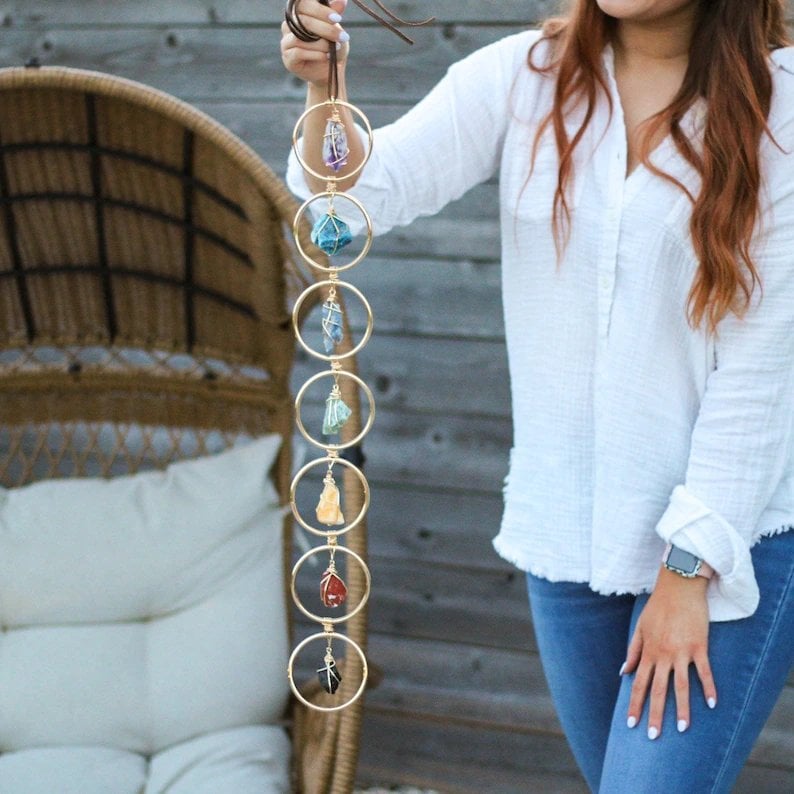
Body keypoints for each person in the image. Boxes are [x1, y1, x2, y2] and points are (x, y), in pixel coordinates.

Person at [281, 1, 794, 791]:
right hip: (568, 544)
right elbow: (344, 215)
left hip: (727, 546)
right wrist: (325, 89)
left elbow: (764, 375)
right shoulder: (524, 78)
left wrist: (688, 574)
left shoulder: (779, 106)